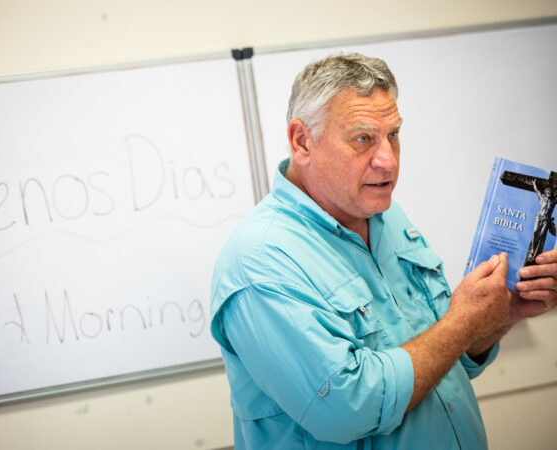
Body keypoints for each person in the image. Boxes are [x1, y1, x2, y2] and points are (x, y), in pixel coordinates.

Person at [209, 53, 557, 449]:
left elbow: (444, 362)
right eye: (363, 139)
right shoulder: (260, 260)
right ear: (302, 141)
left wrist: (498, 317)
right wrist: (463, 321)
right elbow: (348, 407)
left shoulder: (384, 215)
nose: (388, 161)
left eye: (393, 135)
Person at [525, 179, 557, 265]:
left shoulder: (553, 201)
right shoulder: (542, 198)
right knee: (535, 232)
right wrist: (534, 183)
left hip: (546, 220)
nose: (549, 192)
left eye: (550, 191)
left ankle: (535, 254)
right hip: (539, 218)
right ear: (545, 192)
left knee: (542, 235)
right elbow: (537, 191)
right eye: (547, 191)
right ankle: (532, 251)